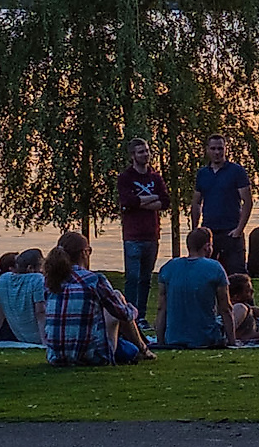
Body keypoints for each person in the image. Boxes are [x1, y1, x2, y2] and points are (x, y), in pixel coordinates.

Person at [38, 233, 155, 366]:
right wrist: (132, 309)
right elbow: (123, 314)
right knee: (117, 297)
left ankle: (138, 348)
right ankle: (143, 349)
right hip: (92, 356)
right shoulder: (94, 280)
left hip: (56, 356)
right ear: (84, 253)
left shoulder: (50, 282)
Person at [154, 227, 232, 349]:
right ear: (207, 246)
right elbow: (225, 308)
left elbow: (161, 308)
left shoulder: (168, 268)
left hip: (173, 338)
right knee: (244, 313)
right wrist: (232, 341)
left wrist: (160, 342)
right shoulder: (215, 268)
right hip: (205, 338)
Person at [116, 137, 169, 313]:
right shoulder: (125, 178)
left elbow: (165, 201)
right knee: (132, 277)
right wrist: (152, 198)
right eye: (141, 152)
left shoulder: (155, 177)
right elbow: (127, 201)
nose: (145, 154)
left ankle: (142, 315)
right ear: (133, 155)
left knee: (146, 278)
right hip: (133, 236)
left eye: (147, 150)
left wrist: (140, 202)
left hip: (151, 234)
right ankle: (130, 312)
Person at [189, 134, 254, 275]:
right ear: (207, 150)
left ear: (225, 149)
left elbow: (247, 202)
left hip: (231, 231)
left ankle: (242, 298)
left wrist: (239, 229)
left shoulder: (236, 171)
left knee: (237, 275)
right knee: (207, 274)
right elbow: (196, 203)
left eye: (220, 148)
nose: (217, 152)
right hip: (209, 232)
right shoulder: (202, 174)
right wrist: (195, 229)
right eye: (213, 148)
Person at [0, 249, 49, 344]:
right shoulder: (37, 279)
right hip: (40, 335)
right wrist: (44, 342)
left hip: (21, 336)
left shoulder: (3, 279)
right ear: (30, 268)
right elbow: (40, 312)